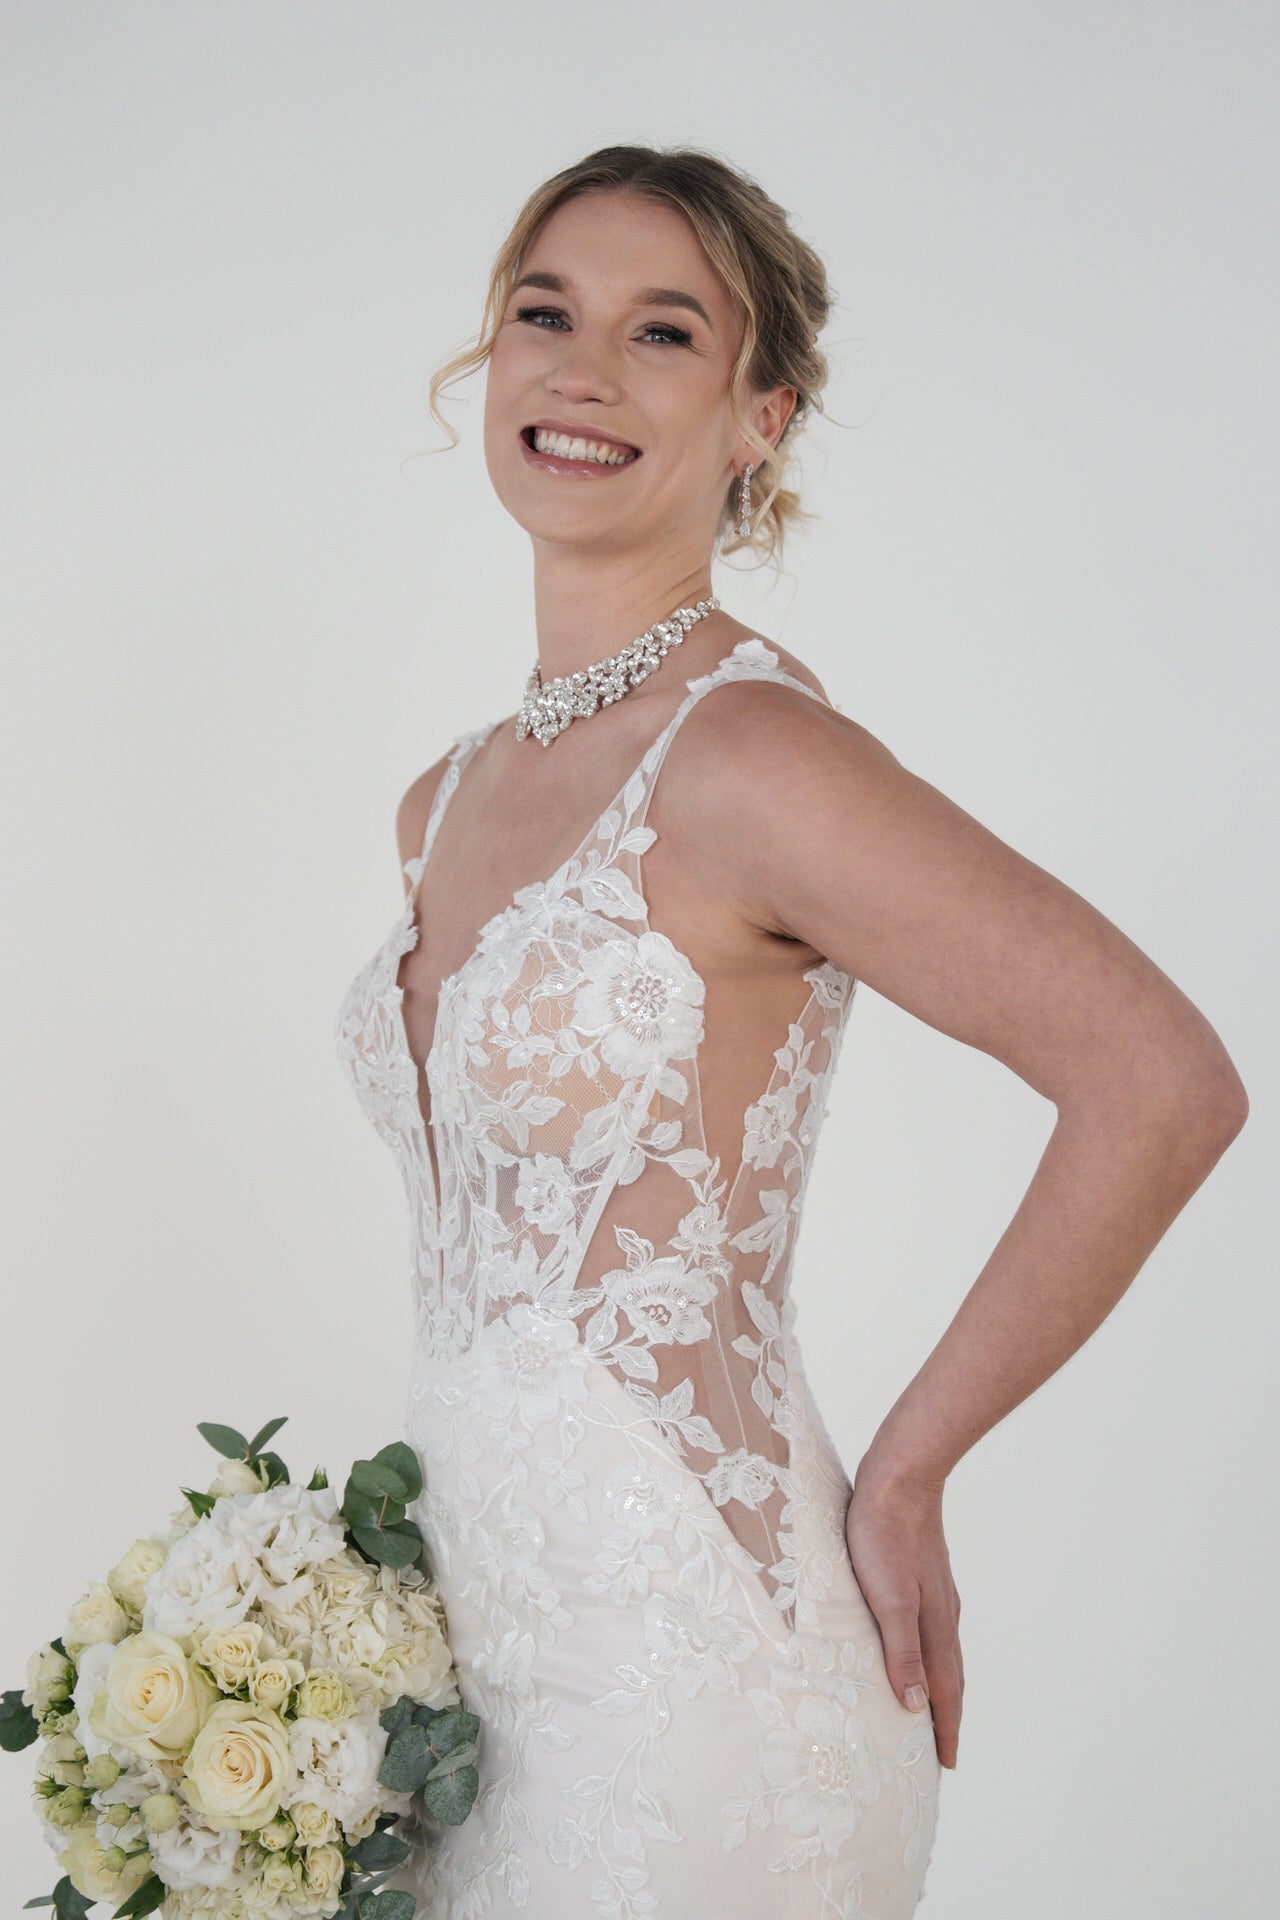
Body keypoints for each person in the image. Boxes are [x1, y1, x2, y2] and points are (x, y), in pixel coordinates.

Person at [333, 144, 1248, 1919]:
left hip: (699, 1696)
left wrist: (907, 1472)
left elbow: (1162, 1080)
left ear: (763, 419)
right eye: (547, 314)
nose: (586, 372)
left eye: (664, 333)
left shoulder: (752, 760)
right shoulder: (439, 804)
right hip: (471, 1700)